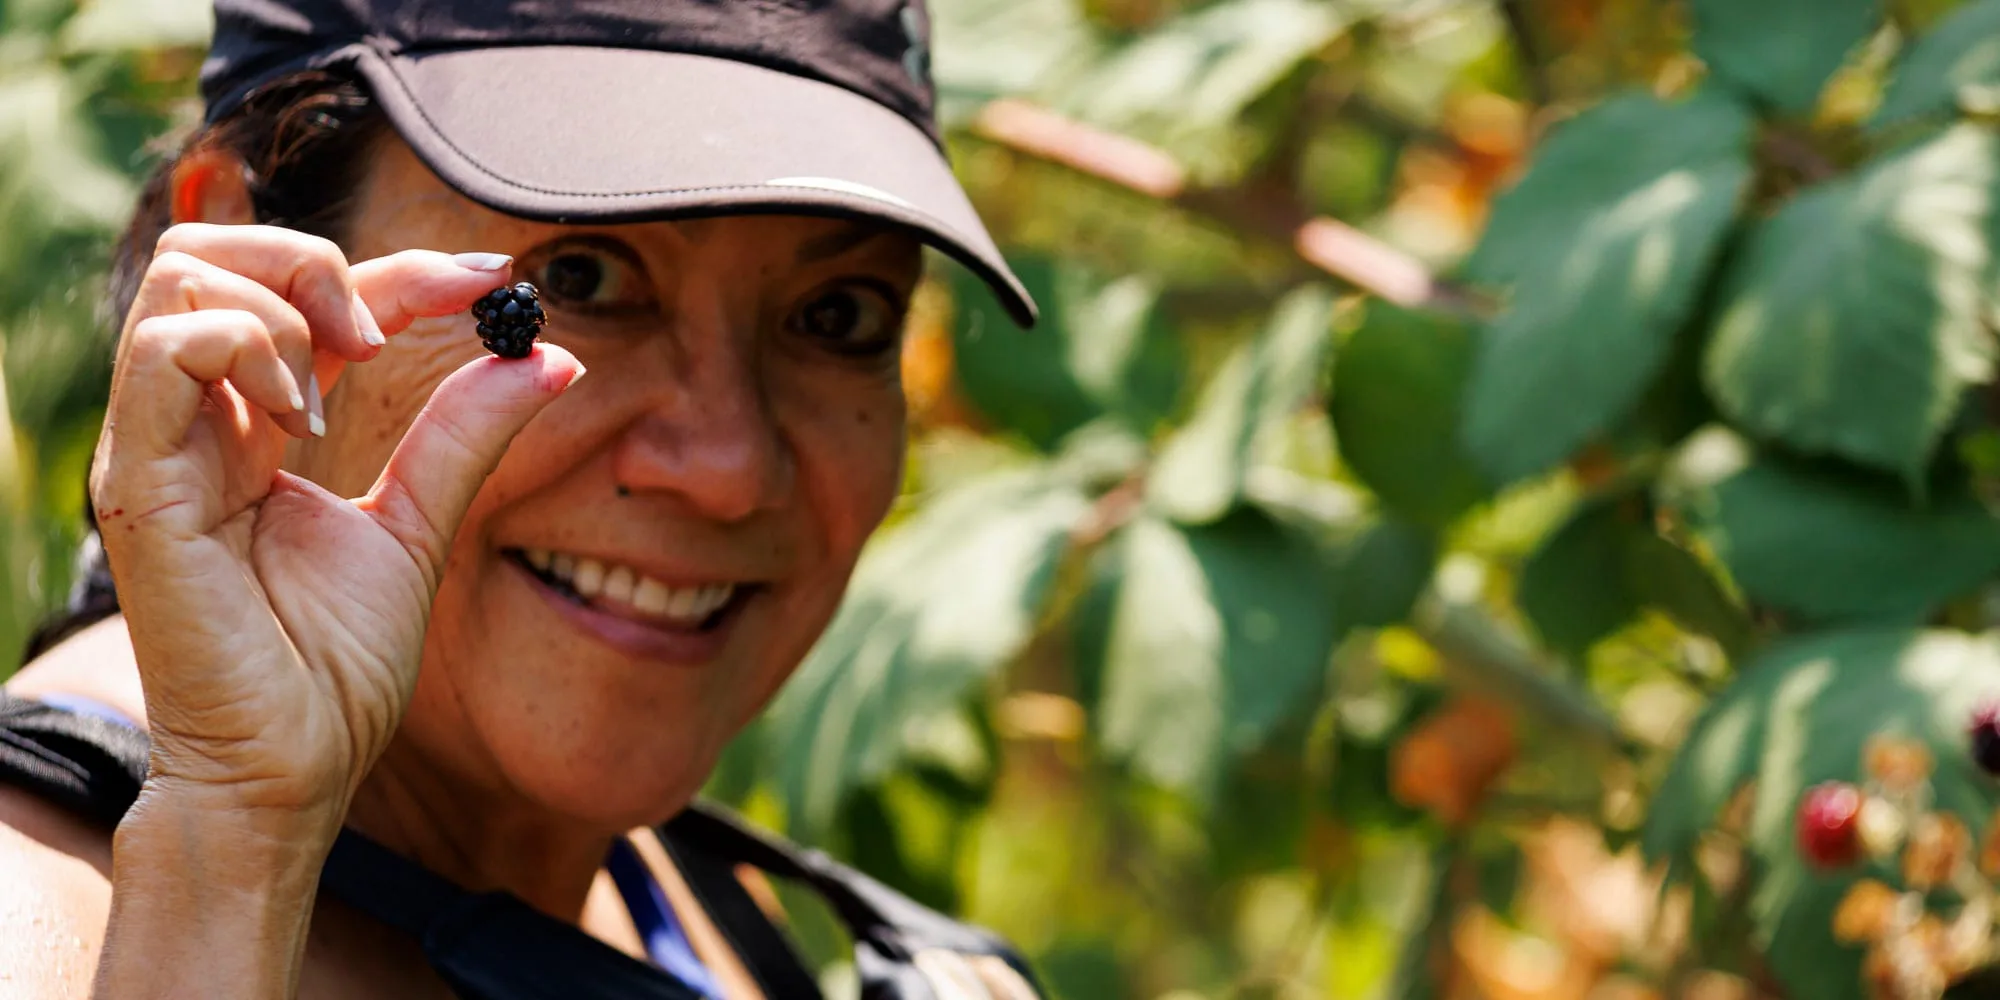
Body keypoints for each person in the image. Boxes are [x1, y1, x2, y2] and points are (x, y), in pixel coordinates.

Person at [0, 1, 1046, 997]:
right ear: (243, 253)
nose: (728, 469)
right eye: (581, 277)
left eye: (837, 315)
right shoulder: (43, 931)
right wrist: (224, 856)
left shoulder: (674, 896)